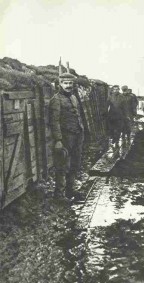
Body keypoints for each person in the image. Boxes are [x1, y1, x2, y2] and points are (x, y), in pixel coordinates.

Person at [49, 72, 84, 202]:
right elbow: (54, 121)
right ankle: (59, 195)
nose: (68, 86)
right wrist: (58, 140)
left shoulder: (74, 97)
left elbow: (78, 115)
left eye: (70, 83)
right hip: (65, 137)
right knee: (62, 165)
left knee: (75, 163)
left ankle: (70, 191)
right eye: (66, 83)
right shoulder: (56, 100)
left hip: (77, 135)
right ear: (60, 84)